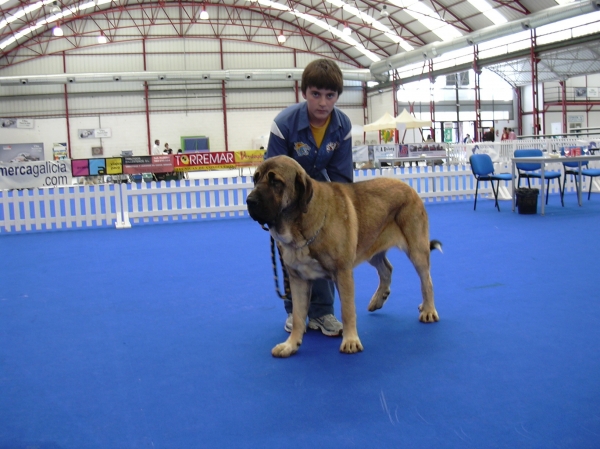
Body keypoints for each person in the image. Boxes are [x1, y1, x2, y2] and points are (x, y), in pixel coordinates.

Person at [266, 58, 352, 337]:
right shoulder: (284, 124)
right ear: (304, 93)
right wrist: (275, 217)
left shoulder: (343, 125)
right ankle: (296, 312)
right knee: (292, 255)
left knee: (327, 251)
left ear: (337, 96)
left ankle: (323, 312)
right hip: (285, 201)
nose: (323, 103)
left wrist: (334, 216)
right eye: (316, 94)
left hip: (322, 197)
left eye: (330, 95)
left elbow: (341, 178)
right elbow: (271, 178)